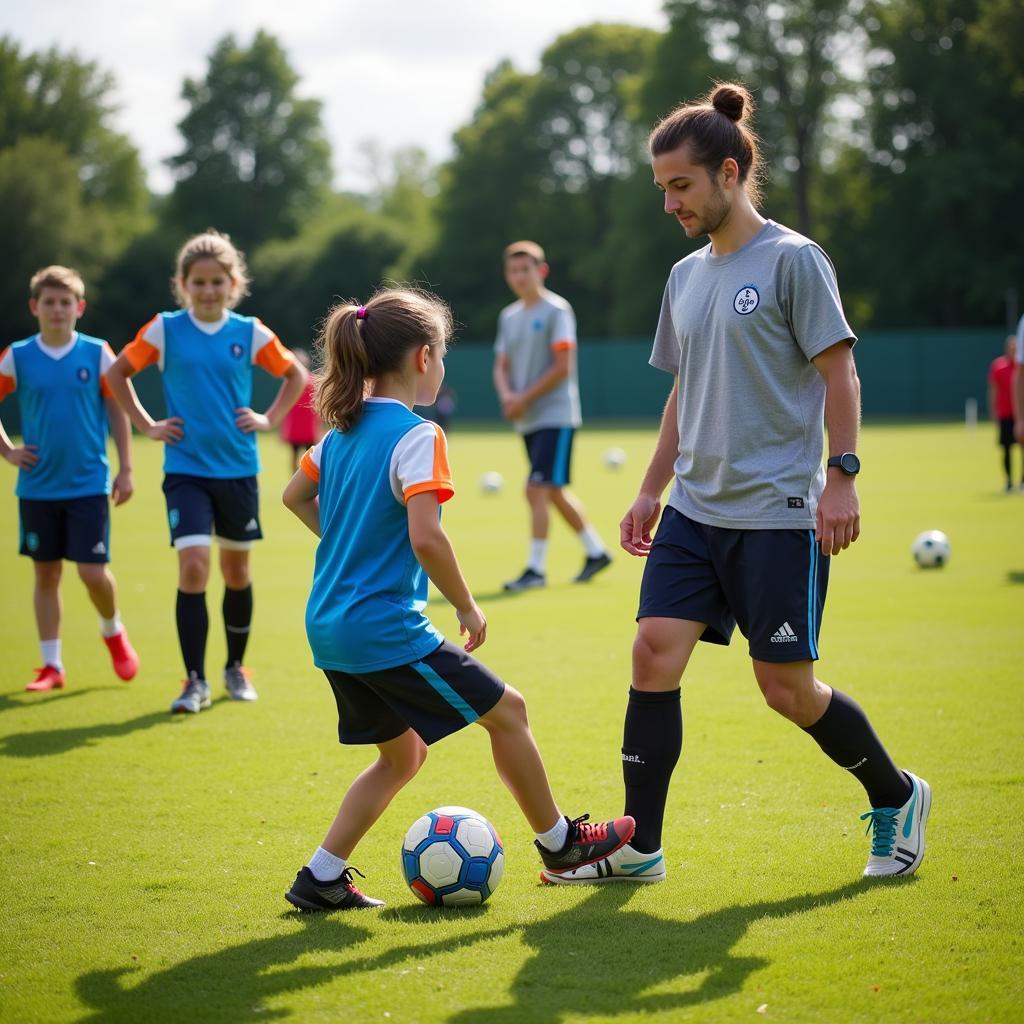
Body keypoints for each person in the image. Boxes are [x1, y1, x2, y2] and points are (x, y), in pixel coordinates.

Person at [543, 84, 930, 887]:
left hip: (778, 512)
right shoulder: (685, 277)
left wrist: (842, 477)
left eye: (680, 186)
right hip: (693, 507)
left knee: (785, 691)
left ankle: (896, 795)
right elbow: (686, 389)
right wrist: (652, 486)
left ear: (728, 172)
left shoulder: (794, 260)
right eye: (661, 190)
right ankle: (639, 846)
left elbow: (840, 372)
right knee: (653, 654)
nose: (670, 204)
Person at [280, 287, 634, 910]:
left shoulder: (339, 434)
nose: (443, 366)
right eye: (442, 355)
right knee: (510, 712)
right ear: (423, 359)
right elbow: (427, 536)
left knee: (402, 756)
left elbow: (294, 497)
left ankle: (321, 877)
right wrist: (467, 605)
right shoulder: (418, 435)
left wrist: (349, 543)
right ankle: (561, 845)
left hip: (330, 626)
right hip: (382, 627)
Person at [106, 231, 307, 713]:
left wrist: (268, 419)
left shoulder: (250, 331)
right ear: (183, 284)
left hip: (238, 469)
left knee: (236, 571)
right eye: (198, 282)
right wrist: (148, 426)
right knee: (194, 566)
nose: (208, 290)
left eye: (217, 281)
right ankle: (193, 680)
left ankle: (235, 668)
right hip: (185, 469)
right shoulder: (165, 330)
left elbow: (296, 375)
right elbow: (117, 374)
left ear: (233, 283)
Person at [0, 265, 139, 691]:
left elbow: (117, 410)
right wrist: (8, 449)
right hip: (37, 487)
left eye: (65, 302)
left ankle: (113, 630)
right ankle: (51, 666)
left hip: (87, 485)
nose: (57, 310)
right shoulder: (17, 356)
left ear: (78, 308)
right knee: (46, 575)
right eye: (49, 302)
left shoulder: (97, 353)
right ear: (34, 307)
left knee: (93, 573)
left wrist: (127, 468)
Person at [492, 241, 611, 591]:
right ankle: (596, 551)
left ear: (541, 271)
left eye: (526, 269)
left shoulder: (558, 310)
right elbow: (501, 366)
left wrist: (522, 398)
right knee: (552, 491)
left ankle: (536, 570)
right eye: (513, 270)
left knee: (536, 489)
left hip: (556, 415)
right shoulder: (508, 316)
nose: (519, 276)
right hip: (527, 417)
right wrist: (508, 397)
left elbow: (563, 367)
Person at [280, 348, 323, 472]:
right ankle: (305, 481)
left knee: (299, 456)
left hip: (301, 428)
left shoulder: (291, 382)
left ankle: (296, 480)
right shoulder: (313, 381)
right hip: (304, 428)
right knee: (309, 458)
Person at [988, 336, 1021, 492]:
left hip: (1020, 413)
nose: (1013, 349)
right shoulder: (998, 366)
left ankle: (1022, 481)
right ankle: (1008, 481)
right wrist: (993, 411)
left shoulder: (1021, 366)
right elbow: (993, 390)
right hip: (1005, 414)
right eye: (1011, 346)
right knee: (1006, 449)